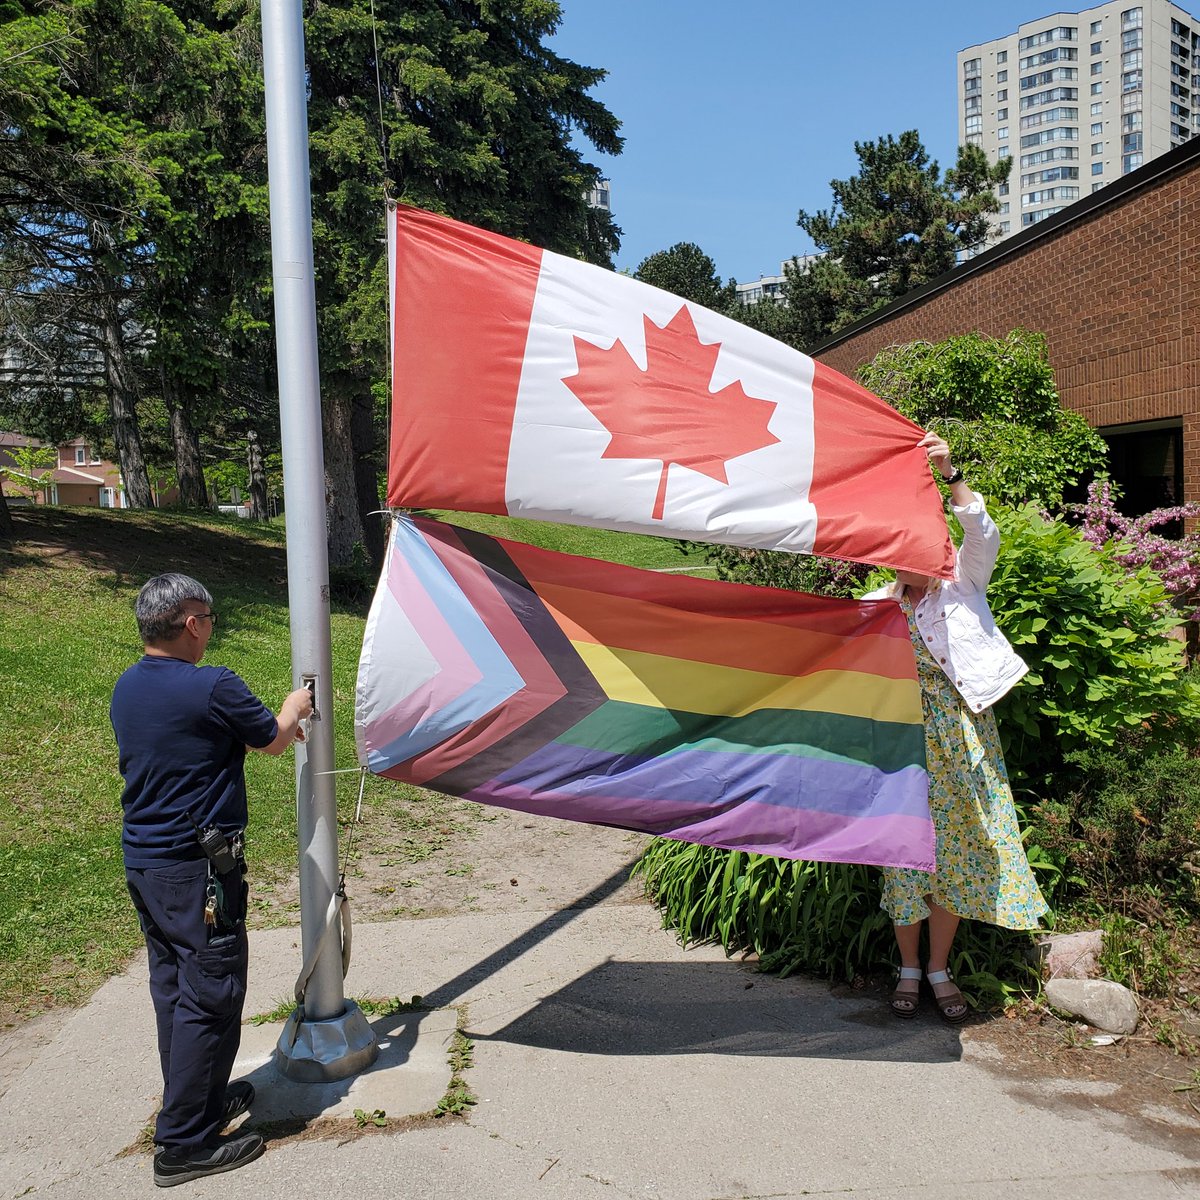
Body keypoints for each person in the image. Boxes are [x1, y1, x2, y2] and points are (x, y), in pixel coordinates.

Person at [110, 573, 312, 1187]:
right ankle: (182, 1145)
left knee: (175, 990)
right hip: (198, 870)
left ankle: (196, 1104)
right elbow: (273, 741)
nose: (212, 627)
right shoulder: (211, 685)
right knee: (211, 993)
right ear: (192, 622)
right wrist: (296, 705)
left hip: (147, 863)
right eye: (210, 616)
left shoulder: (127, 686)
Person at [863, 433, 1048, 1023]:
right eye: (897, 546)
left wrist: (950, 471)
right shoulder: (877, 605)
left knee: (960, 852)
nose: (907, 555)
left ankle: (939, 968)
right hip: (904, 742)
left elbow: (982, 531)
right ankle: (909, 969)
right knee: (905, 854)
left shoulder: (963, 586)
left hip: (964, 738)